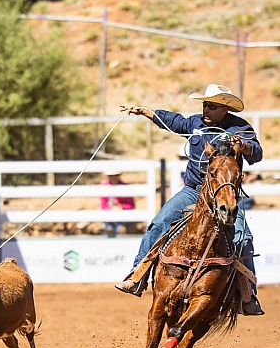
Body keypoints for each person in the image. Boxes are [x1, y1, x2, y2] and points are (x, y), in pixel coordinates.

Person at [115, 83, 264, 316]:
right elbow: (172, 120)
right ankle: (137, 274)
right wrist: (143, 111)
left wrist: (242, 146)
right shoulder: (194, 124)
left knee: (243, 237)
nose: (206, 110)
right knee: (160, 222)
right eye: (205, 105)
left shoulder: (240, 128)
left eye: (212, 106)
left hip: (223, 193)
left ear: (225, 109)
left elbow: (256, 152)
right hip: (193, 190)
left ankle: (248, 295)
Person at [100, 172, 135, 237]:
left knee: (120, 227)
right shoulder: (104, 186)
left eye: (115, 175)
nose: (113, 178)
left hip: (122, 214)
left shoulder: (124, 187)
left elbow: (130, 205)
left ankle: (119, 229)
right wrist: (111, 208)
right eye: (111, 176)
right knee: (109, 225)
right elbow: (103, 204)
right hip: (109, 214)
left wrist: (121, 207)